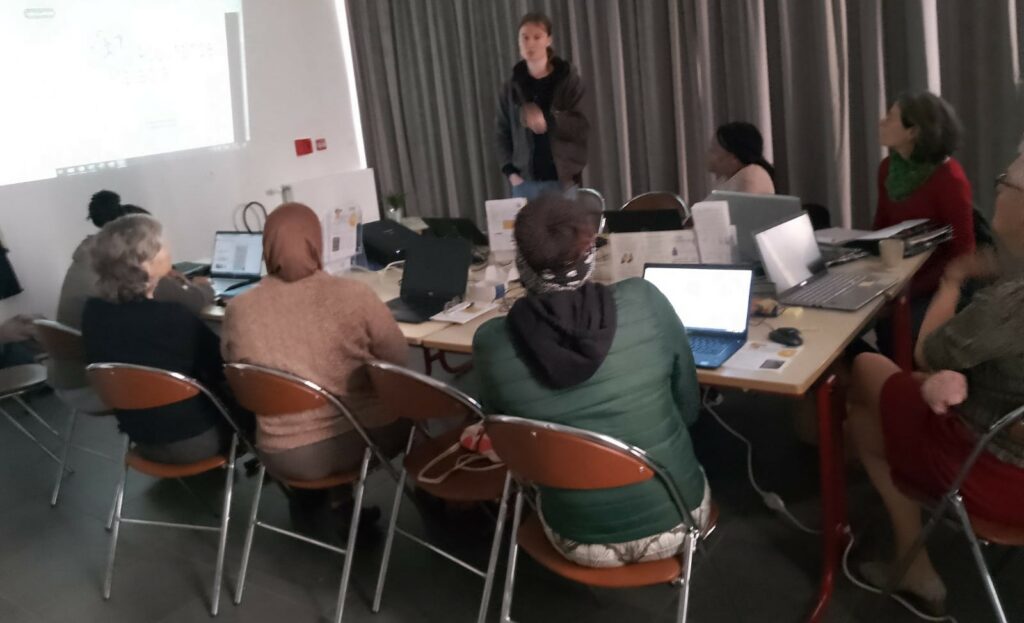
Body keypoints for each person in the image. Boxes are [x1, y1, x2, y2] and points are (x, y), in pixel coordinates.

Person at [472, 195, 710, 568]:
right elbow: (689, 407)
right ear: (589, 256)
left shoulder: (490, 342)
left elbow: (506, 442)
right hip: (680, 518)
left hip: (578, 539)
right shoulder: (644, 299)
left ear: (521, 264)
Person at [846, 142, 1024, 615]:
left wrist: (953, 280)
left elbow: (925, 352)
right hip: (1006, 447)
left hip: (1000, 476)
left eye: (1004, 183)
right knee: (869, 411)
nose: (996, 191)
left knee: (865, 374)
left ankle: (914, 564)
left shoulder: (1010, 307)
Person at [221, 203, 410, 484]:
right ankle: (434, 499)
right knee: (417, 411)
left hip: (279, 453)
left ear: (266, 246)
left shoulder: (238, 308)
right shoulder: (354, 295)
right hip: (361, 436)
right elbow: (397, 361)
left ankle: (333, 502)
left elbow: (233, 366)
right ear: (317, 242)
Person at [81, 214, 237, 464]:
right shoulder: (172, 317)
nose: (168, 248)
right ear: (143, 263)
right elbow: (225, 367)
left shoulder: (93, 312)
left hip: (142, 439)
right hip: (198, 440)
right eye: (160, 243)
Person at [57, 190, 214, 330]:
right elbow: (195, 302)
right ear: (135, 243)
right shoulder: (132, 272)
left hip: (76, 347)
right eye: (153, 242)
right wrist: (204, 285)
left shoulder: (91, 255)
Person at [874, 92, 975, 302]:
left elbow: (963, 252)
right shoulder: (887, 168)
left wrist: (908, 289)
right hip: (893, 277)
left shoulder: (950, 179)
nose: (882, 122)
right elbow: (880, 228)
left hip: (933, 286)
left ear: (913, 131)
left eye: (890, 118)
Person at [496, 12, 589, 201]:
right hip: (524, 183)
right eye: (525, 37)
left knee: (564, 222)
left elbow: (581, 126)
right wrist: (511, 174)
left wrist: (549, 121)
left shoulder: (567, 81)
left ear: (548, 40)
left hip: (561, 182)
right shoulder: (512, 87)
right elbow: (501, 133)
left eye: (537, 37)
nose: (530, 43)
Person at [708, 122, 776, 194]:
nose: (708, 153)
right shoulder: (724, 180)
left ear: (734, 157)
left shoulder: (750, 176)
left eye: (714, 150)